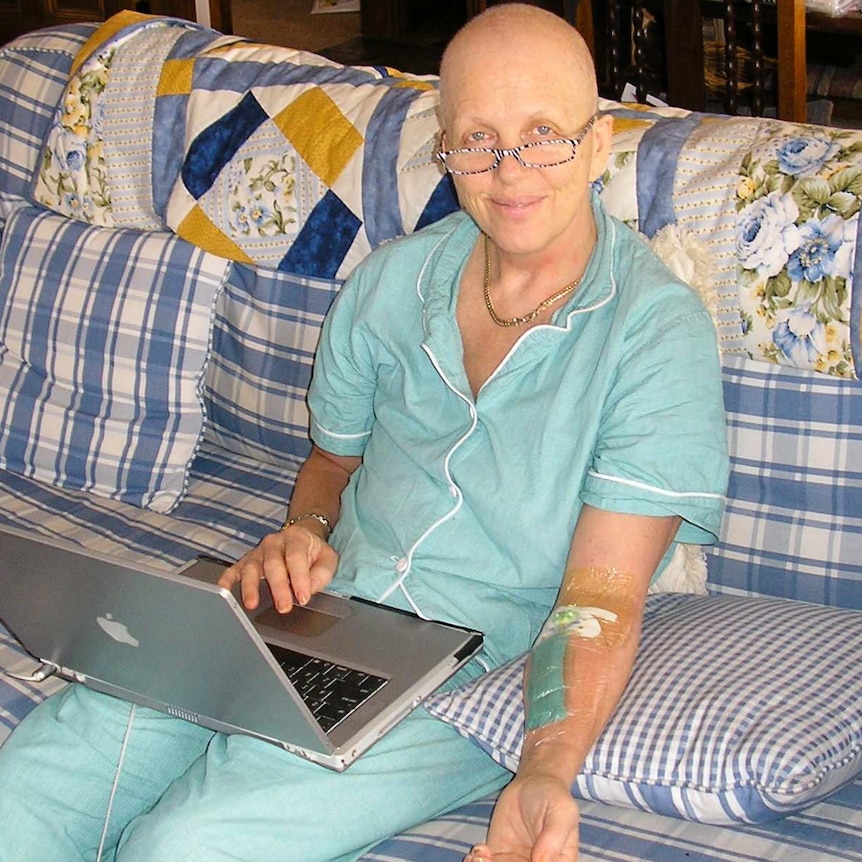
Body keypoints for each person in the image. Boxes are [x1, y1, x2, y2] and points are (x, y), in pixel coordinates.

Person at [0, 5, 728, 861]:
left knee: (190, 847)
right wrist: (301, 535)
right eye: (477, 138)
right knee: (30, 791)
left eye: (543, 134)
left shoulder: (654, 334)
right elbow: (328, 465)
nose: (509, 169)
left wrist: (546, 770)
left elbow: (601, 602)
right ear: (445, 149)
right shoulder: (389, 284)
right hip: (320, 615)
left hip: (472, 674)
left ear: (599, 143)